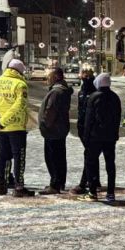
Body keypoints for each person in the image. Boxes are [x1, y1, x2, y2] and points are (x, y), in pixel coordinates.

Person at [0, 58, 34, 198]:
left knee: (3, 156)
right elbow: (19, 106)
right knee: (19, 157)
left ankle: (1, 186)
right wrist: (4, 121)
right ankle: (19, 187)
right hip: (16, 127)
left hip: (0, 129)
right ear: (19, 71)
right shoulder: (20, 84)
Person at [80, 73, 121, 202]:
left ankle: (92, 192)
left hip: (95, 137)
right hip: (110, 137)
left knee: (90, 163)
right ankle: (110, 193)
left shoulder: (93, 97)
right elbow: (117, 118)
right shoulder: (115, 97)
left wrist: (86, 136)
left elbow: (89, 119)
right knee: (110, 165)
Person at [38, 67, 73, 195]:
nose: (47, 78)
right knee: (59, 157)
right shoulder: (61, 91)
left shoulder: (56, 92)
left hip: (53, 130)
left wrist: (44, 125)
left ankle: (55, 184)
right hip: (59, 129)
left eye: (50, 76)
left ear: (57, 77)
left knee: (53, 158)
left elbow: (50, 111)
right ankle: (59, 182)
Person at [71, 70, 100, 195]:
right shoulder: (81, 92)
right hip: (82, 127)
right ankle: (94, 180)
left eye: (87, 76)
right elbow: (80, 109)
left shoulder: (94, 92)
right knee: (91, 155)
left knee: (89, 155)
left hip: (91, 129)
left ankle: (84, 183)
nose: (84, 77)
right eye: (83, 75)